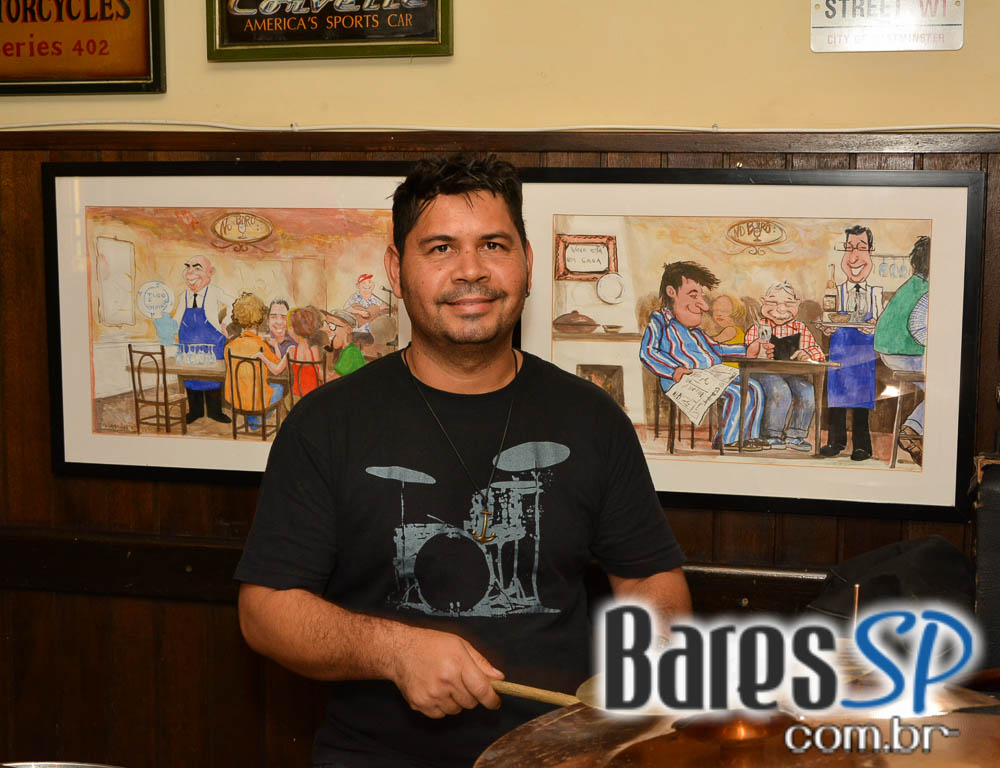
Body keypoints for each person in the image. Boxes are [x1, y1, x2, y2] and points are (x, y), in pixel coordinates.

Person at [235, 155, 690, 767]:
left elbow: (648, 579)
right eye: (441, 248)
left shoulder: (593, 417)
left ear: (526, 261)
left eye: (493, 245)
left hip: (564, 755)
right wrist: (395, 651)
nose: (471, 270)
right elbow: (266, 611)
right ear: (397, 269)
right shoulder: (324, 423)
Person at [639, 261, 772, 451]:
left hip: (710, 376)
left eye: (700, 296)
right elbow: (648, 351)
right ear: (671, 292)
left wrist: (747, 350)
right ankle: (726, 438)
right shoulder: (660, 321)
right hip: (683, 380)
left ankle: (749, 435)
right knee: (736, 393)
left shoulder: (696, 331)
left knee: (754, 387)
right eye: (693, 295)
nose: (702, 305)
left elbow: (718, 349)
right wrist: (673, 370)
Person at [820, 225, 884, 462]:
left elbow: (883, 326)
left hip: (864, 354)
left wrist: (875, 326)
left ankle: (862, 446)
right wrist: (827, 328)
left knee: (861, 401)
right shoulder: (834, 291)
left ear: (871, 252)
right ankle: (835, 441)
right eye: (849, 248)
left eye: (861, 248)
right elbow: (827, 320)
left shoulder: (876, 293)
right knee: (836, 398)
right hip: (839, 351)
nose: (854, 257)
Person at [744, 281, 825, 451]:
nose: (781, 309)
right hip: (764, 372)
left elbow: (817, 351)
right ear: (763, 302)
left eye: (788, 304)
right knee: (779, 390)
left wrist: (807, 354)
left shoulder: (800, 328)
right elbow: (748, 353)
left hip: (792, 373)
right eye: (773, 303)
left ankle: (796, 435)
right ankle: (771, 434)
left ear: (797, 304)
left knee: (807, 390)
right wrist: (759, 346)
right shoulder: (759, 327)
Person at [874, 235, 930, 466]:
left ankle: (913, 431)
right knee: (948, 388)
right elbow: (917, 326)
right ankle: (912, 430)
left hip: (889, 351)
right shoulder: (929, 289)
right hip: (906, 352)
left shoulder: (912, 285)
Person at [173, 255, 233, 424]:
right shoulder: (183, 296)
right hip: (189, 344)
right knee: (191, 378)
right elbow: (177, 318)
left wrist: (226, 322)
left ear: (210, 272)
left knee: (212, 379)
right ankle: (195, 411)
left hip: (212, 342)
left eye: (197, 267)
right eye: (188, 267)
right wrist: (167, 326)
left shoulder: (214, 292)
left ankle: (215, 412)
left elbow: (234, 303)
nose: (190, 272)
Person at [223, 292, 285, 429]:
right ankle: (256, 422)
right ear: (260, 318)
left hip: (237, 399)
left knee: (250, 387)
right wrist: (275, 345)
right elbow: (278, 367)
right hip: (256, 401)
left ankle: (252, 420)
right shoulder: (261, 346)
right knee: (279, 387)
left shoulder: (229, 347)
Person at [255, 306, 326, 400]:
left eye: (290, 327)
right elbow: (321, 375)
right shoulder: (314, 349)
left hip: (296, 398)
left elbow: (276, 371)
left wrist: (262, 357)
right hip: (314, 397)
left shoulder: (292, 350)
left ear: (295, 330)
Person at [321, 308, 367, 379]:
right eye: (325, 324)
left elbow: (332, 381)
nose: (325, 329)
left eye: (332, 326)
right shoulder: (345, 351)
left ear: (348, 329)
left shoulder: (351, 352)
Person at [344, 272, 389, 343]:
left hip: (372, 334)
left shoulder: (376, 299)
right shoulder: (355, 297)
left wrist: (381, 309)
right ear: (358, 286)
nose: (367, 285)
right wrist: (360, 312)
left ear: (373, 285)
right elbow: (346, 308)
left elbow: (384, 309)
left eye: (369, 282)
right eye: (364, 283)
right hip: (356, 332)